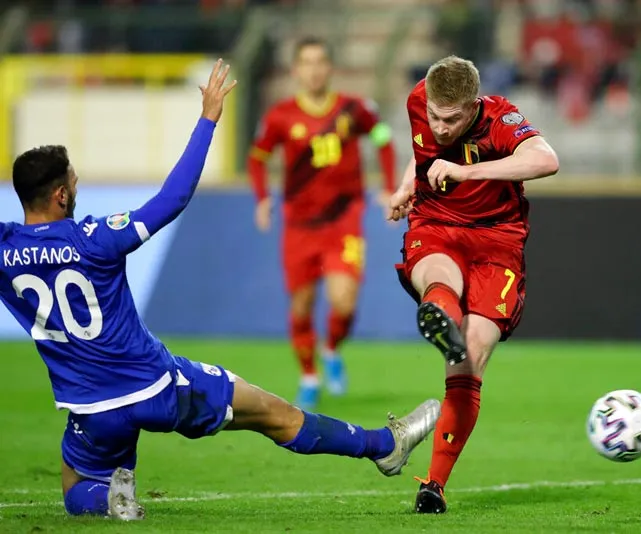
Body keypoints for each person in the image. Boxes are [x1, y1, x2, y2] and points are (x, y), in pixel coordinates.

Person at [0, 60, 439, 521]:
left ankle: (107, 501)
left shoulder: (6, 251)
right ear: (62, 197)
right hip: (158, 387)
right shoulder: (96, 238)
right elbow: (171, 200)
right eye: (73, 181)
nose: (77, 186)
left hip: (90, 406)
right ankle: (383, 446)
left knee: (76, 486)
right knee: (275, 414)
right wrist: (208, 119)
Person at [388, 55, 559, 514]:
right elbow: (424, 149)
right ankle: (443, 316)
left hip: (497, 238)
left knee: (472, 355)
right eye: (434, 116)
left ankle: (434, 485)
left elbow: (546, 159)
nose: (440, 127)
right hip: (437, 221)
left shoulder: (501, 117)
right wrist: (409, 184)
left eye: (452, 119)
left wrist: (468, 171)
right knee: (438, 276)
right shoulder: (418, 102)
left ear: (473, 106)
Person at [248, 37, 397, 410]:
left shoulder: (353, 109)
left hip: (344, 220)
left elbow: (383, 137)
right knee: (301, 305)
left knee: (343, 302)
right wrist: (263, 198)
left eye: (320, 62)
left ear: (330, 68)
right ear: (296, 70)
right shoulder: (280, 117)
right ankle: (309, 376)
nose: (314, 69)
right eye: (306, 62)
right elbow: (257, 159)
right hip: (299, 226)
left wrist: (390, 185)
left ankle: (331, 349)